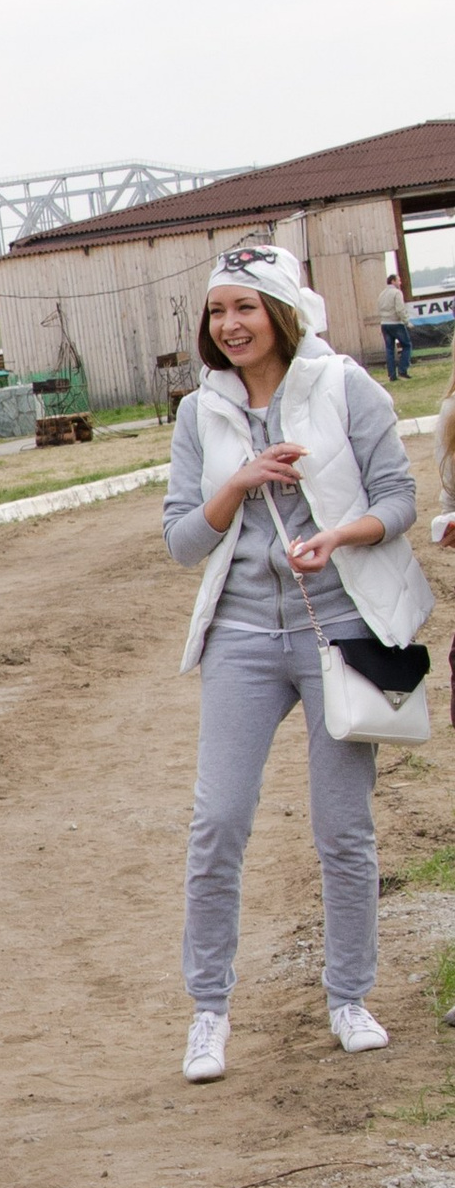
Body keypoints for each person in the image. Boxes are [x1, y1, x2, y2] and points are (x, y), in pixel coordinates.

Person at [165, 244, 427, 1080]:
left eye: (245, 307)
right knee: (218, 823)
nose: (230, 325)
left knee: (342, 828)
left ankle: (349, 997)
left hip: (339, 629)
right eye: (217, 311)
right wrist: (237, 481)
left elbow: (400, 500)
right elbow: (182, 539)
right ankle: (209, 1013)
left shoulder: (347, 387)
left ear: (281, 310)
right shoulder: (198, 412)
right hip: (242, 634)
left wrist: (338, 534)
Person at [381, 269, 414, 383]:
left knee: (389, 349)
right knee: (407, 345)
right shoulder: (397, 293)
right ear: (393, 281)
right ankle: (402, 370)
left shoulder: (382, 293)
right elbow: (400, 309)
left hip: (384, 324)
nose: (400, 283)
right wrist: (406, 322)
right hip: (396, 323)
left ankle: (392, 375)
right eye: (398, 280)